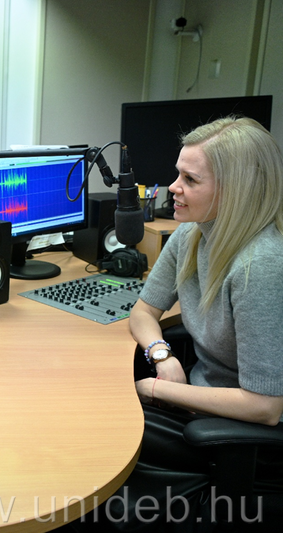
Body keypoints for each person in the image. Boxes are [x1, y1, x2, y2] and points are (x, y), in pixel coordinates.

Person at [69, 116, 283, 532]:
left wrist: (157, 388)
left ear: (236, 190)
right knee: (90, 418)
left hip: (244, 438)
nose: (173, 187)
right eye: (177, 174)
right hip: (198, 403)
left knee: (94, 435)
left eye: (190, 179)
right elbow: (143, 312)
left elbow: (266, 406)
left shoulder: (261, 266)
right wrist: (161, 355)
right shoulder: (193, 234)